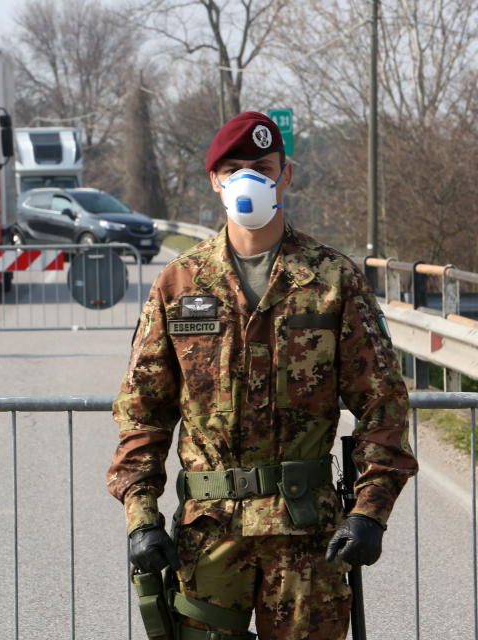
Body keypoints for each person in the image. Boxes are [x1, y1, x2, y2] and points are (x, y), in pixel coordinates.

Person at [106, 111, 418, 640]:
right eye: (233, 168)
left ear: (285, 175)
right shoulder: (179, 283)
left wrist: (370, 510)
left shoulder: (331, 278)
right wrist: (141, 514)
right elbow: (143, 407)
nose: (248, 178)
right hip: (208, 537)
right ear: (215, 180)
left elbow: (382, 404)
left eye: (262, 166)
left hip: (306, 539)